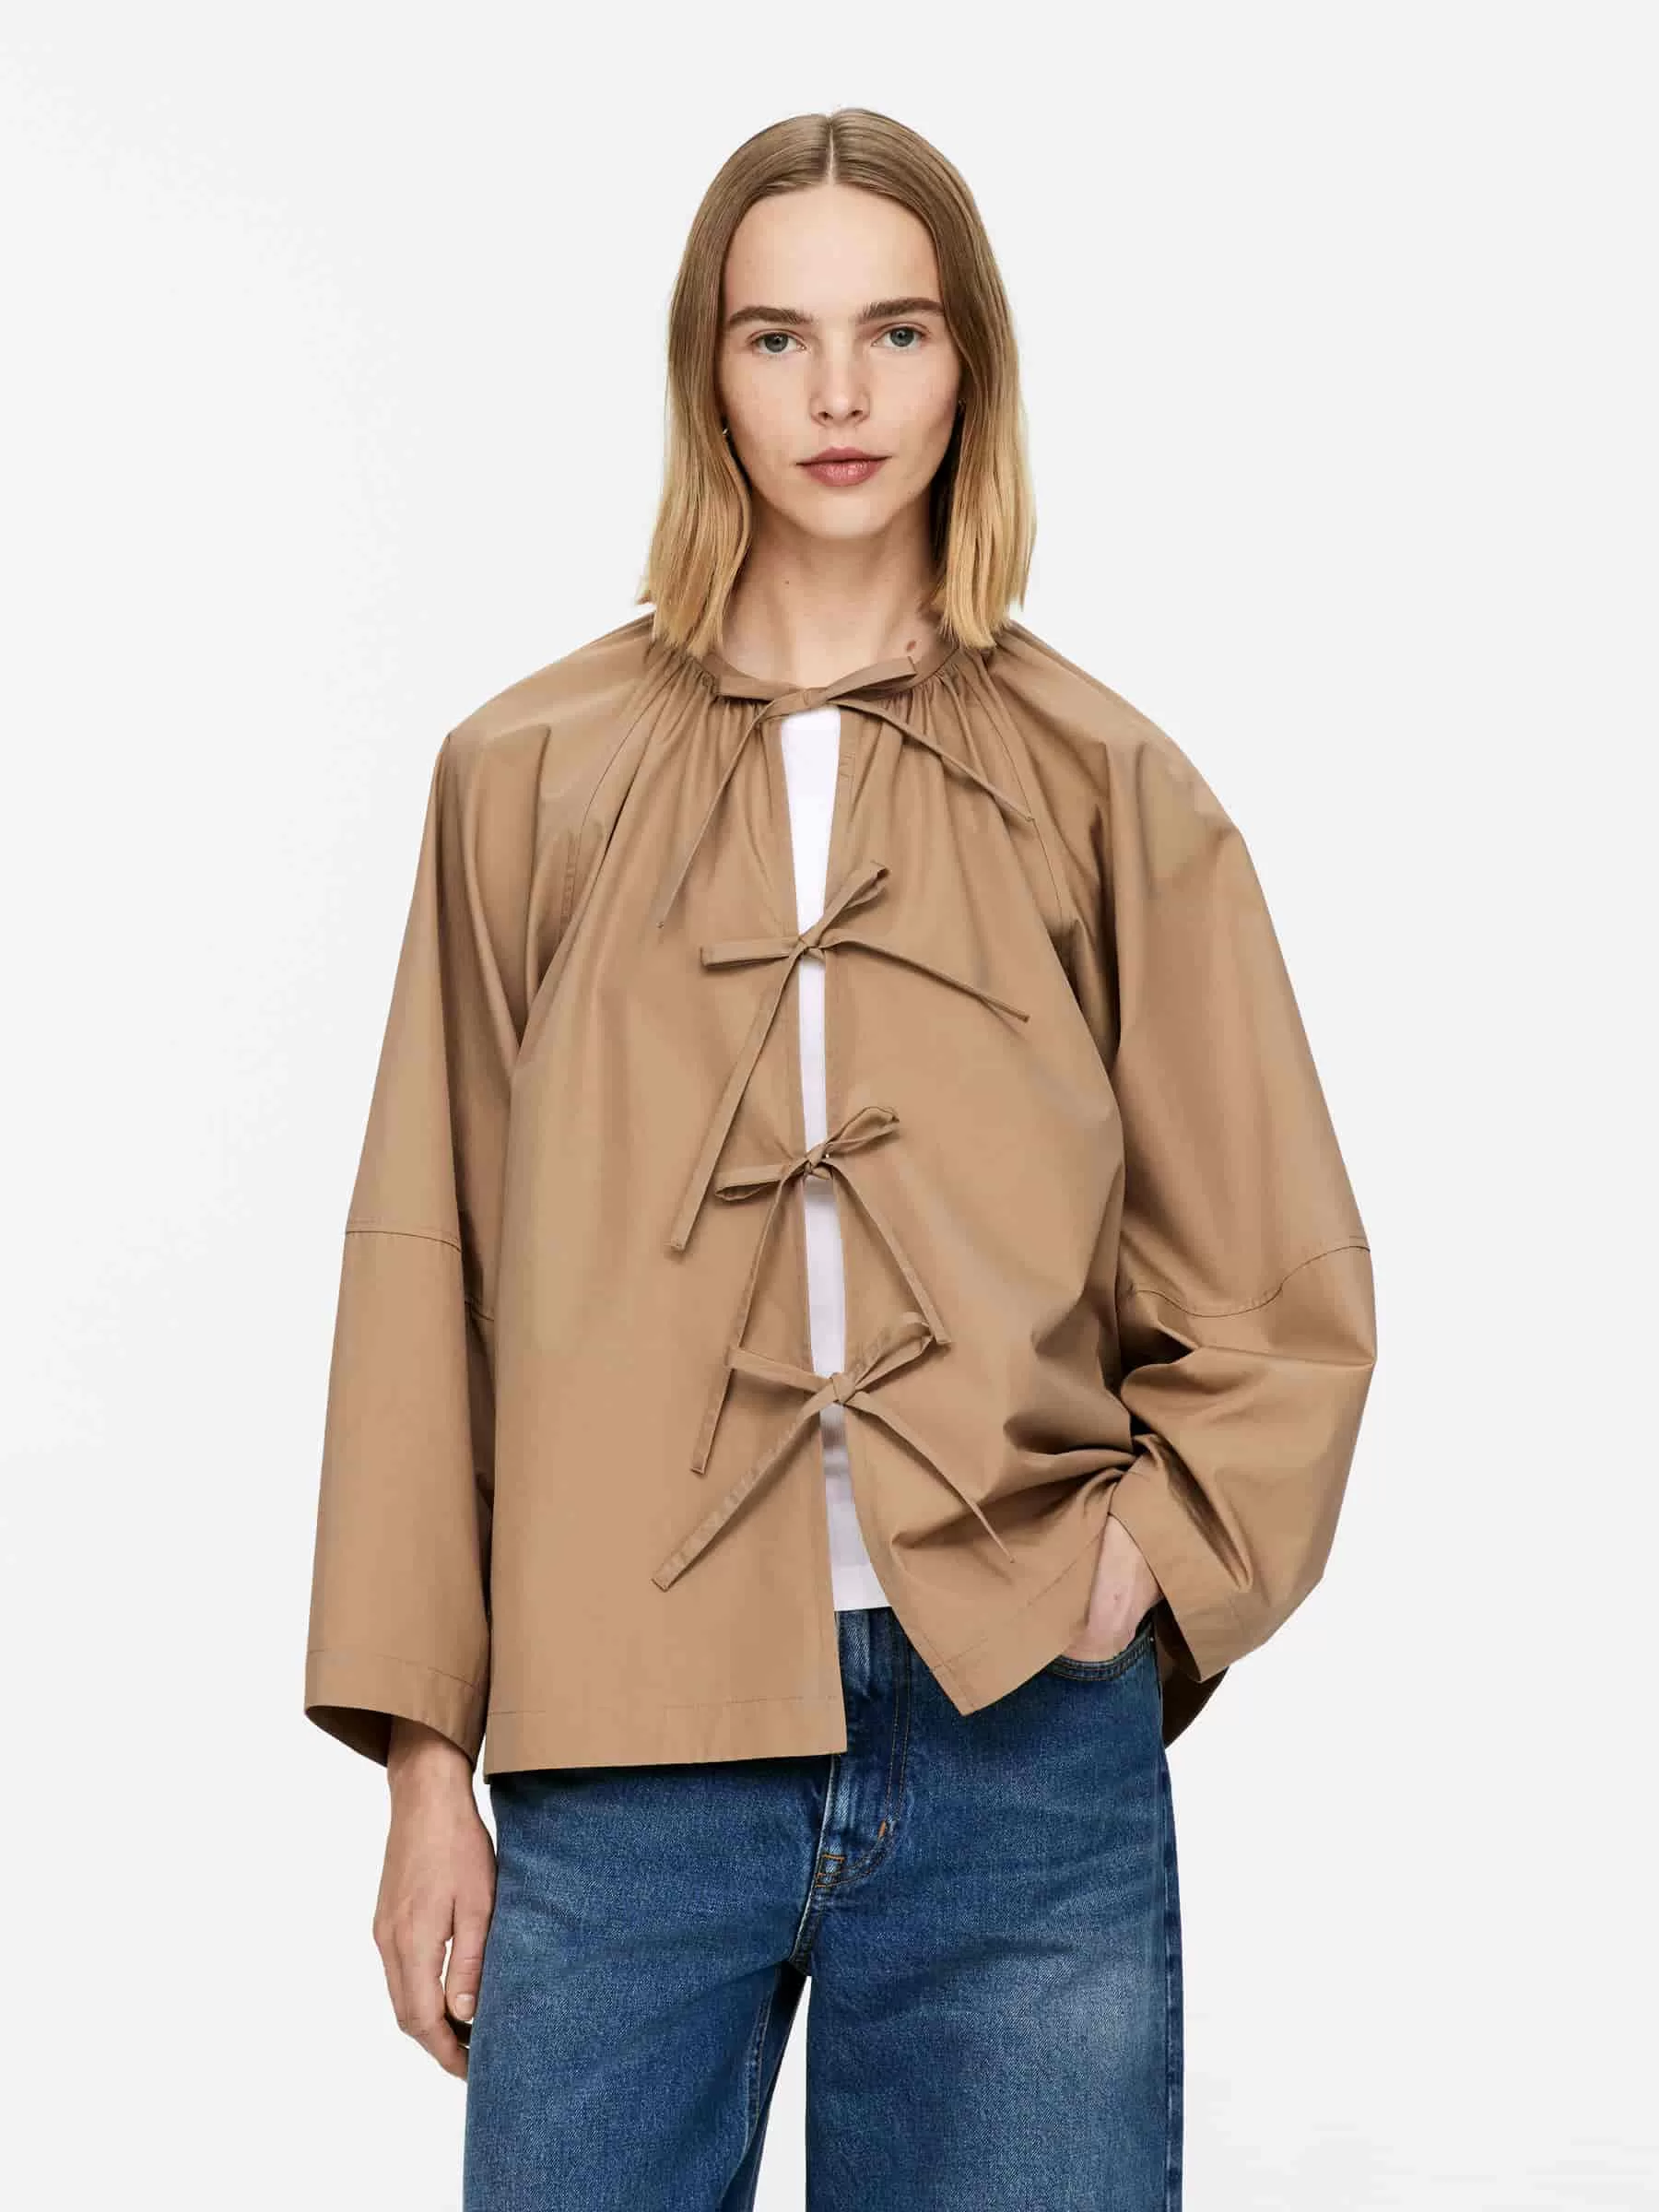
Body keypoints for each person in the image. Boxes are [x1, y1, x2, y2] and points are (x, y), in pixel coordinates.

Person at [302, 108, 1377, 2211]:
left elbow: (1279, 1278)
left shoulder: (1106, 783)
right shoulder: (522, 778)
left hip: (1015, 1745)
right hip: (621, 1759)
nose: (840, 395)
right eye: (776, 337)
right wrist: (429, 1769)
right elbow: (429, 1277)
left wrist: (1138, 1562)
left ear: (972, 365)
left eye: (896, 330)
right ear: (706, 376)